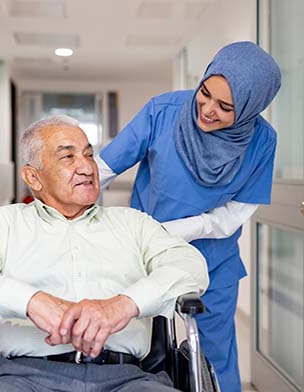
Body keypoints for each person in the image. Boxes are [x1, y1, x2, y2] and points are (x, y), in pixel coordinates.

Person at [0, 115, 209, 392]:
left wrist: (123, 306)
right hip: (18, 377)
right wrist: (31, 302)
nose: (86, 167)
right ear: (33, 177)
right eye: (68, 157)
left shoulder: (133, 224)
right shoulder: (4, 224)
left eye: (88, 155)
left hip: (127, 378)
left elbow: (190, 266)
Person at [97, 41, 281, 391]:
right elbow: (103, 168)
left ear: (249, 108)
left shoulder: (262, 142)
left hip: (213, 260)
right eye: (205, 92)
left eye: (225, 107)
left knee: (213, 358)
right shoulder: (163, 111)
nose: (207, 109)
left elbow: (232, 216)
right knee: (134, 347)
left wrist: (173, 230)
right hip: (144, 255)